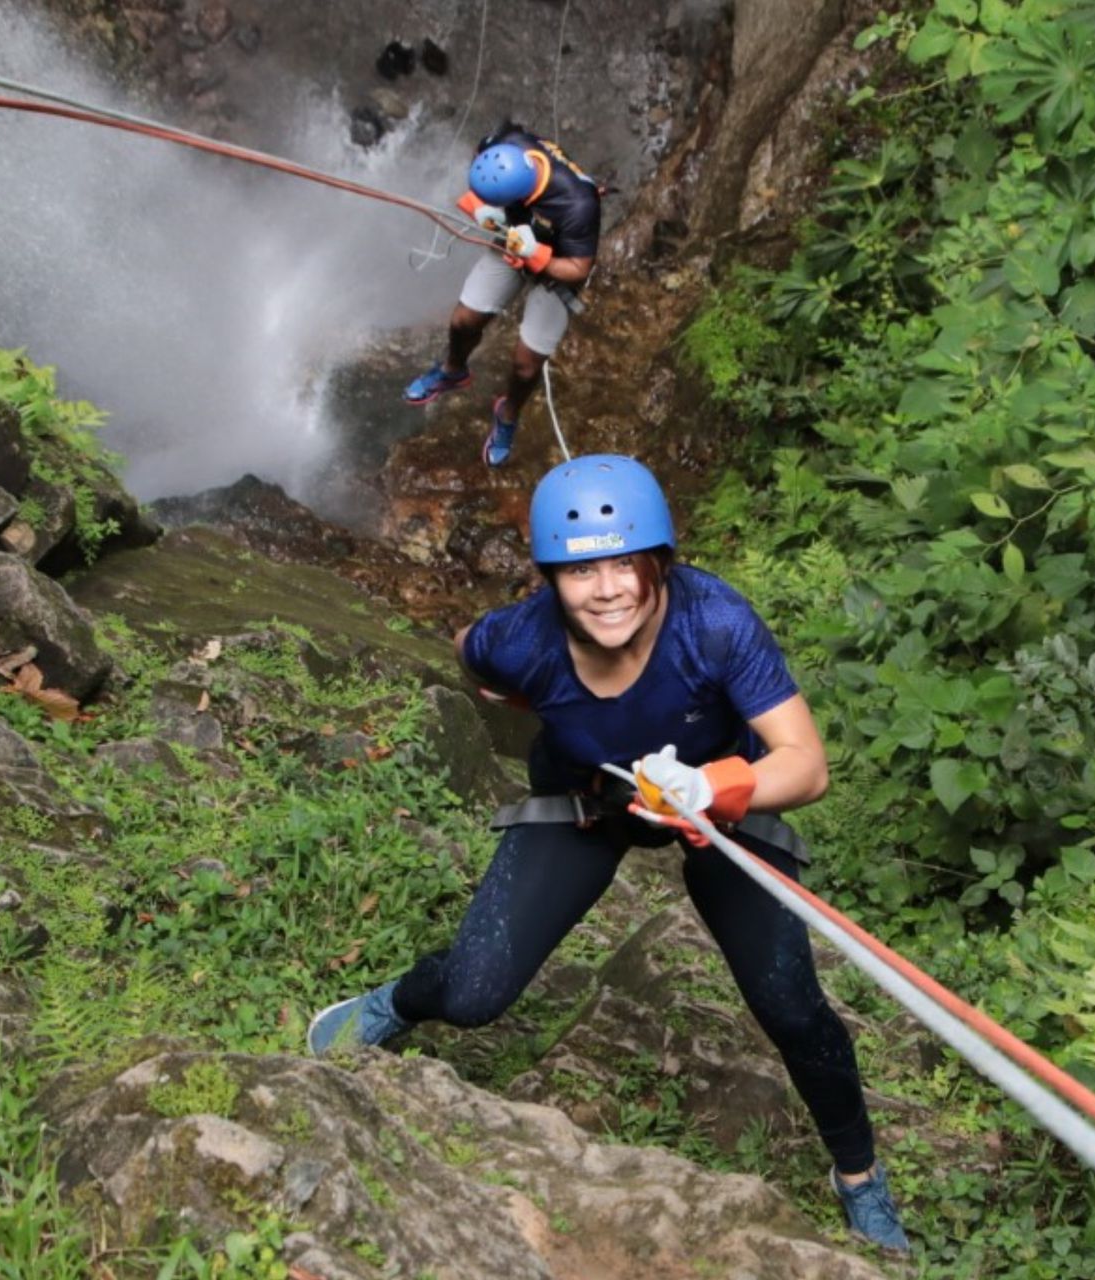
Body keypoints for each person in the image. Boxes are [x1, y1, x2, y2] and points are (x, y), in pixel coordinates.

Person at [308, 455, 911, 1256]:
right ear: (550, 579)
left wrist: (712, 788)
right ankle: (397, 1002)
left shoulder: (716, 625)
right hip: (589, 806)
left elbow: (805, 762)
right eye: (581, 570)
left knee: (792, 1005)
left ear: (659, 559)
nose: (608, 589)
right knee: (475, 991)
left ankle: (859, 1177)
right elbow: (469, 649)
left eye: (625, 561)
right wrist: (519, 693)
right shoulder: (520, 639)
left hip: (715, 807)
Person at [403, 123, 602, 468]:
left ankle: (508, 414)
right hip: (514, 236)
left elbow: (578, 268)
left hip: (557, 261)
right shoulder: (506, 145)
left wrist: (535, 255)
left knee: (526, 366)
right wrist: (486, 212)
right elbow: (482, 163)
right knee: (464, 320)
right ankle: (453, 369)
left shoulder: (578, 204)